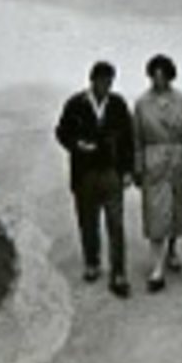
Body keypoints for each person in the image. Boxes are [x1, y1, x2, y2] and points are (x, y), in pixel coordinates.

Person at [55, 61, 135, 298]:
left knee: (116, 223)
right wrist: (76, 145)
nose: (106, 86)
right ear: (92, 81)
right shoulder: (76, 104)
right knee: (88, 221)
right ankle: (92, 262)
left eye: (109, 82)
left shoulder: (118, 104)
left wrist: (128, 171)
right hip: (84, 173)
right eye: (102, 81)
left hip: (111, 172)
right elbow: (61, 132)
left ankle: (119, 272)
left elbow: (128, 139)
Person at [133, 54, 182, 291]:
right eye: (154, 75)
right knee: (155, 213)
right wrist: (138, 166)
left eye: (163, 75)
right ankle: (157, 268)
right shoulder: (142, 103)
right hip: (153, 162)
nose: (158, 79)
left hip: (177, 160)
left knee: (176, 210)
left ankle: (172, 250)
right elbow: (137, 138)